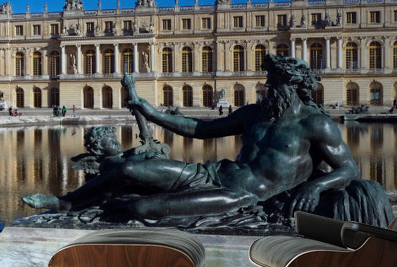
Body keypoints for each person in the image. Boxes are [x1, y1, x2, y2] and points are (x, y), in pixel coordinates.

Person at [23, 54, 360, 220]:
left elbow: (349, 169)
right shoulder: (254, 114)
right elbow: (201, 130)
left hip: (239, 195)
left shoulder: (316, 125)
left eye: (273, 83)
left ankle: (105, 211)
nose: (267, 87)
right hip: (212, 173)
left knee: (142, 207)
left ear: (292, 86)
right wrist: (150, 111)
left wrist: (316, 186)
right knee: (128, 169)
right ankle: (66, 202)